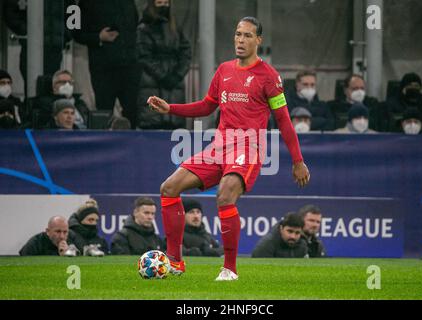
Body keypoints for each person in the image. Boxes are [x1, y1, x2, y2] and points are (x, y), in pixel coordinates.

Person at [147, 16, 310, 281]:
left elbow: (283, 119)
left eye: (247, 35)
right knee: (168, 188)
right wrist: (171, 108)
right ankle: (175, 262)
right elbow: (207, 105)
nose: (241, 40)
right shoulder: (223, 70)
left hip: (248, 148)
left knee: (224, 196)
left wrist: (298, 160)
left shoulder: (269, 76)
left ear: (259, 40)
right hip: (218, 147)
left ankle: (230, 269)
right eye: (237, 34)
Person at [72, 0, 140, 128]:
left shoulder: (129, 2)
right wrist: (98, 37)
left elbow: (134, 27)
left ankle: (132, 144)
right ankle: (105, 145)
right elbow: (75, 32)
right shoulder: (86, 3)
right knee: (104, 113)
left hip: (129, 65)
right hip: (103, 68)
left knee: (132, 111)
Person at [136, 0, 192, 129]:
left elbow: (186, 52)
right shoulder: (144, 28)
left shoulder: (176, 28)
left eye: (166, 3)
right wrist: (162, 76)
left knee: (174, 126)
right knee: (152, 123)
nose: (163, 6)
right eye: (159, 2)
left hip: (174, 84)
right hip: (151, 82)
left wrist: (178, 74)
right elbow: (144, 56)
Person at [2, 0, 74, 83]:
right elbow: (10, 13)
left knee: (51, 83)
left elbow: (74, 12)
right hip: (30, 47)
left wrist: (67, 34)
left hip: (54, 47)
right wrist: (27, 31)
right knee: (31, 84)